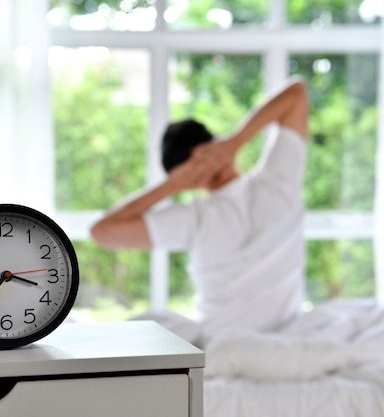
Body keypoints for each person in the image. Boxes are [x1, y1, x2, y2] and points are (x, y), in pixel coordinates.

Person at [91, 77, 309, 343]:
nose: (206, 168)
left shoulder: (274, 182)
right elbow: (102, 232)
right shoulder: (196, 216)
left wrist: (232, 144)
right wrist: (174, 185)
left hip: (260, 341)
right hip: (238, 343)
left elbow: (296, 92)